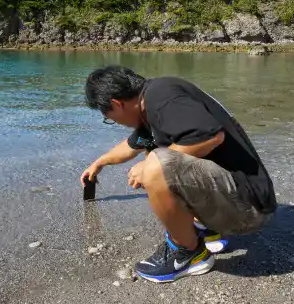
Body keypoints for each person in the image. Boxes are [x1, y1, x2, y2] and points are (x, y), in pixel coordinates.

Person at [81, 65, 277, 283]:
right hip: (242, 198)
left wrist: (148, 168)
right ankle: (207, 228)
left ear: (117, 103)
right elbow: (130, 146)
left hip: (248, 210)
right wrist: (98, 163)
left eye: (109, 117)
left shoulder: (163, 99)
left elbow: (211, 137)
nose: (115, 123)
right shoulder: (153, 101)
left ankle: (188, 252)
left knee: (155, 163)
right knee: (156, 156)